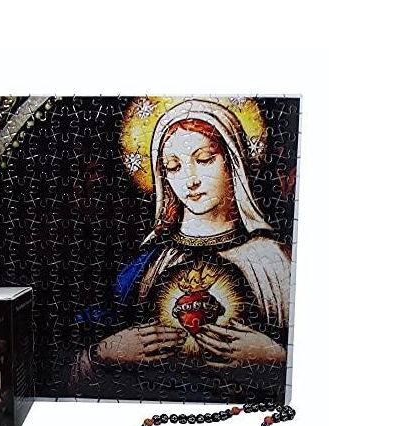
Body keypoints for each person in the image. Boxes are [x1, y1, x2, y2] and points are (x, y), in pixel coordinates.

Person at [71, 99, 291, 400]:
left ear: (233, 159)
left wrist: (276, 359)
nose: (190, 180)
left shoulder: (276, 262)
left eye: (204, 159)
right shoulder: (145, 266)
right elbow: (71, 367)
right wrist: (103, 354)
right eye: (173, 167)